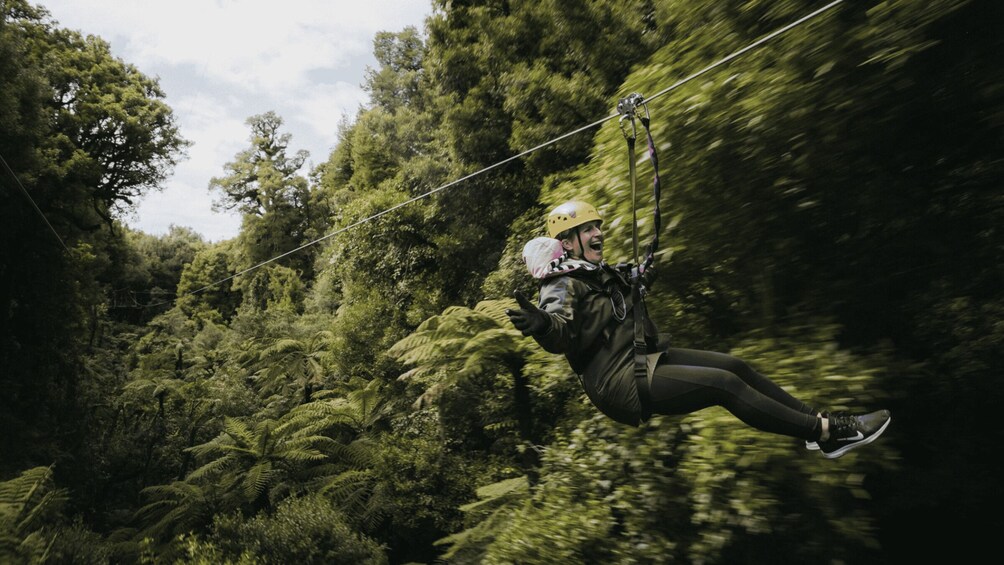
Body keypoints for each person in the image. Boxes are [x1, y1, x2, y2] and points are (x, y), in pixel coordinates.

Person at [506, 200, 891, 459]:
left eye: (596, 226)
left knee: (735, 366)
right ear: (567, 242)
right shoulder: (560, 283)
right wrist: (541, 324)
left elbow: (621, 288)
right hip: (618, 379)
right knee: (724, 385)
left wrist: (640, 277)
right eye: (586, 229)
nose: (597, 233)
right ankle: (826, 432)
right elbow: (559, 329)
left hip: (640, 357)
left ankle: (818, 423)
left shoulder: (596, 273)